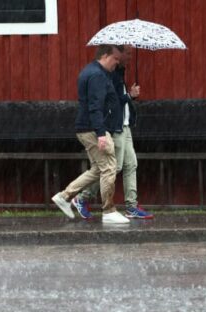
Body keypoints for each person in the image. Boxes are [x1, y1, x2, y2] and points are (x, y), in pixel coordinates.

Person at [71, 45, 153, 219]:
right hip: (116, 126)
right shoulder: (109, 74)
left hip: (125, 124)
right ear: (116, 55)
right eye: (126, 54)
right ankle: (82, 198)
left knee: (131, 164)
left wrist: (130, 96)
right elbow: (111, 101)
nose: (129, 57)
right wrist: (129, 96)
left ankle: (131, 205)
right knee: (112, 168)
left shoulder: (118, 72)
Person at [51, 45, 130, 224]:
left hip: (89, 128)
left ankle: (64, 196)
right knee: (110, 167)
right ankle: (109, 211)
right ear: (105, 56)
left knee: (98, 169)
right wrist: (101, 133)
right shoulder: (97, 75)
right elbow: (95, 106)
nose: (117, 63)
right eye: (115, 59)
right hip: (94, 129)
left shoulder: (94, 72)